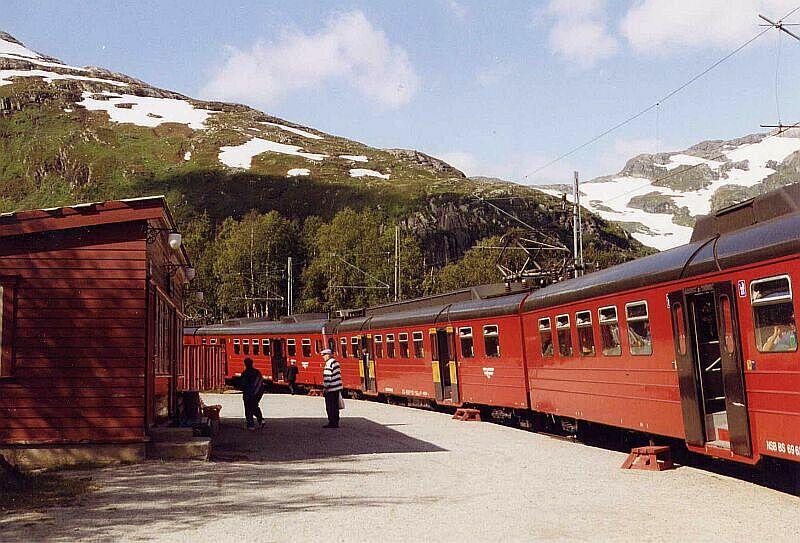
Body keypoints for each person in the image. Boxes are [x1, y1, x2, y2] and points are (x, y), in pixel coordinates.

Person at [240, 357, 265, 430]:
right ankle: (261, 420)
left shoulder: (245, 373)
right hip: (257, 394)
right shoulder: (257, 372)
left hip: (248, 394)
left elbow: (242, 385)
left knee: (248, 409)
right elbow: (261, 383)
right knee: (255, 407)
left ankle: (251, 425)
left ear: (245, 364)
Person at [321, 348, 342, 428]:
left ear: (328, 355)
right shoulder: (336, 362)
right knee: (335, 406)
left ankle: (332, 422)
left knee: (330, 406)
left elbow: (327, 377)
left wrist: (326, 387)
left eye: (324, 355)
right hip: (337, 387)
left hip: (331, 388)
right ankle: (336, 422)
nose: (323, 357)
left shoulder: (328, 363)